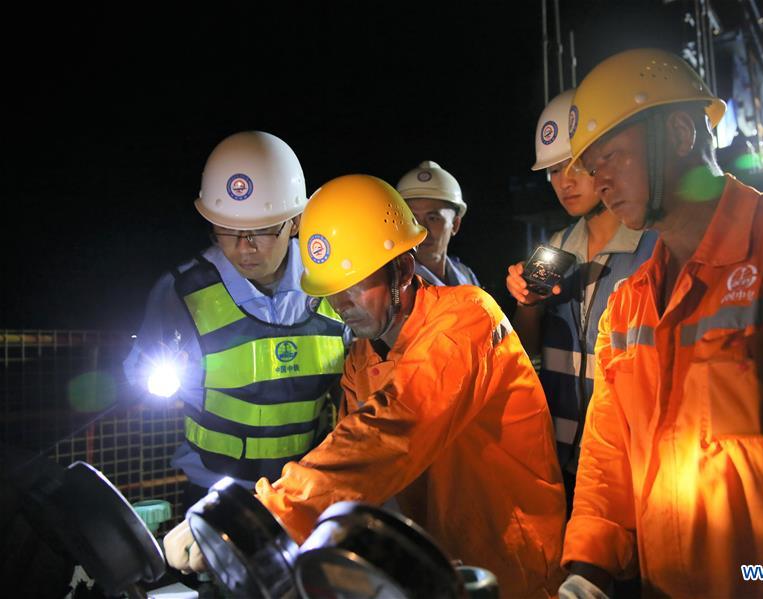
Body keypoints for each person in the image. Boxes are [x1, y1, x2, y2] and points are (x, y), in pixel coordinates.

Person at [558, 48, 763, 598]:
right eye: (592, 166)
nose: (600, 181)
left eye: (611, 156)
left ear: (678, 133)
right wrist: (587, 571)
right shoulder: (628, 306)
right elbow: (609, 458)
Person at [165, 174, 567, 598]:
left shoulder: (465, 319)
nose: (342, 303)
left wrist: (263, 515)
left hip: (512, 569)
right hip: (439, 568)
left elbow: (388, 432)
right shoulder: (364, 356)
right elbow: (351, 462)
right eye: (332, 290)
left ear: (404, 269)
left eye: (355, 283)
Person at [124, 131, 349, 506]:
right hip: (214, 492)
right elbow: (137, 374)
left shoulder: (333, 280)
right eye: (227, 229)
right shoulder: (179, 293)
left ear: (296, 221)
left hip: (308, 490)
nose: (244, 246)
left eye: (262, 229)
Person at [506, 90, 655, 509]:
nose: (564, 182)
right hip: (564, 459)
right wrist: (528, 305)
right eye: (553, 171)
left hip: (634, 461)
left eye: (574, 165)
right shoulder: (556, 249)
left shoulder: (654, 248)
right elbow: (529, 352)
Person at [395, 160, 480, 286]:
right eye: (413, 219)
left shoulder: (466, 275)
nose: (422, 230)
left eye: (433, 218)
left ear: (455, 224)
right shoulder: (393, 281)